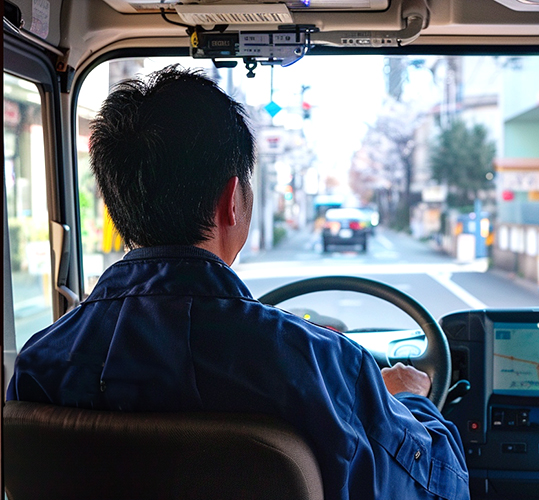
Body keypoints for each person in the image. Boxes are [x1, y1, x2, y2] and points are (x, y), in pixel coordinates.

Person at [7, 65, 469, 500]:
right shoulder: (322, 366)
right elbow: (442, 487)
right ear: (233, 200)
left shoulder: (40, 364)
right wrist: (410, 399)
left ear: (115, 205)